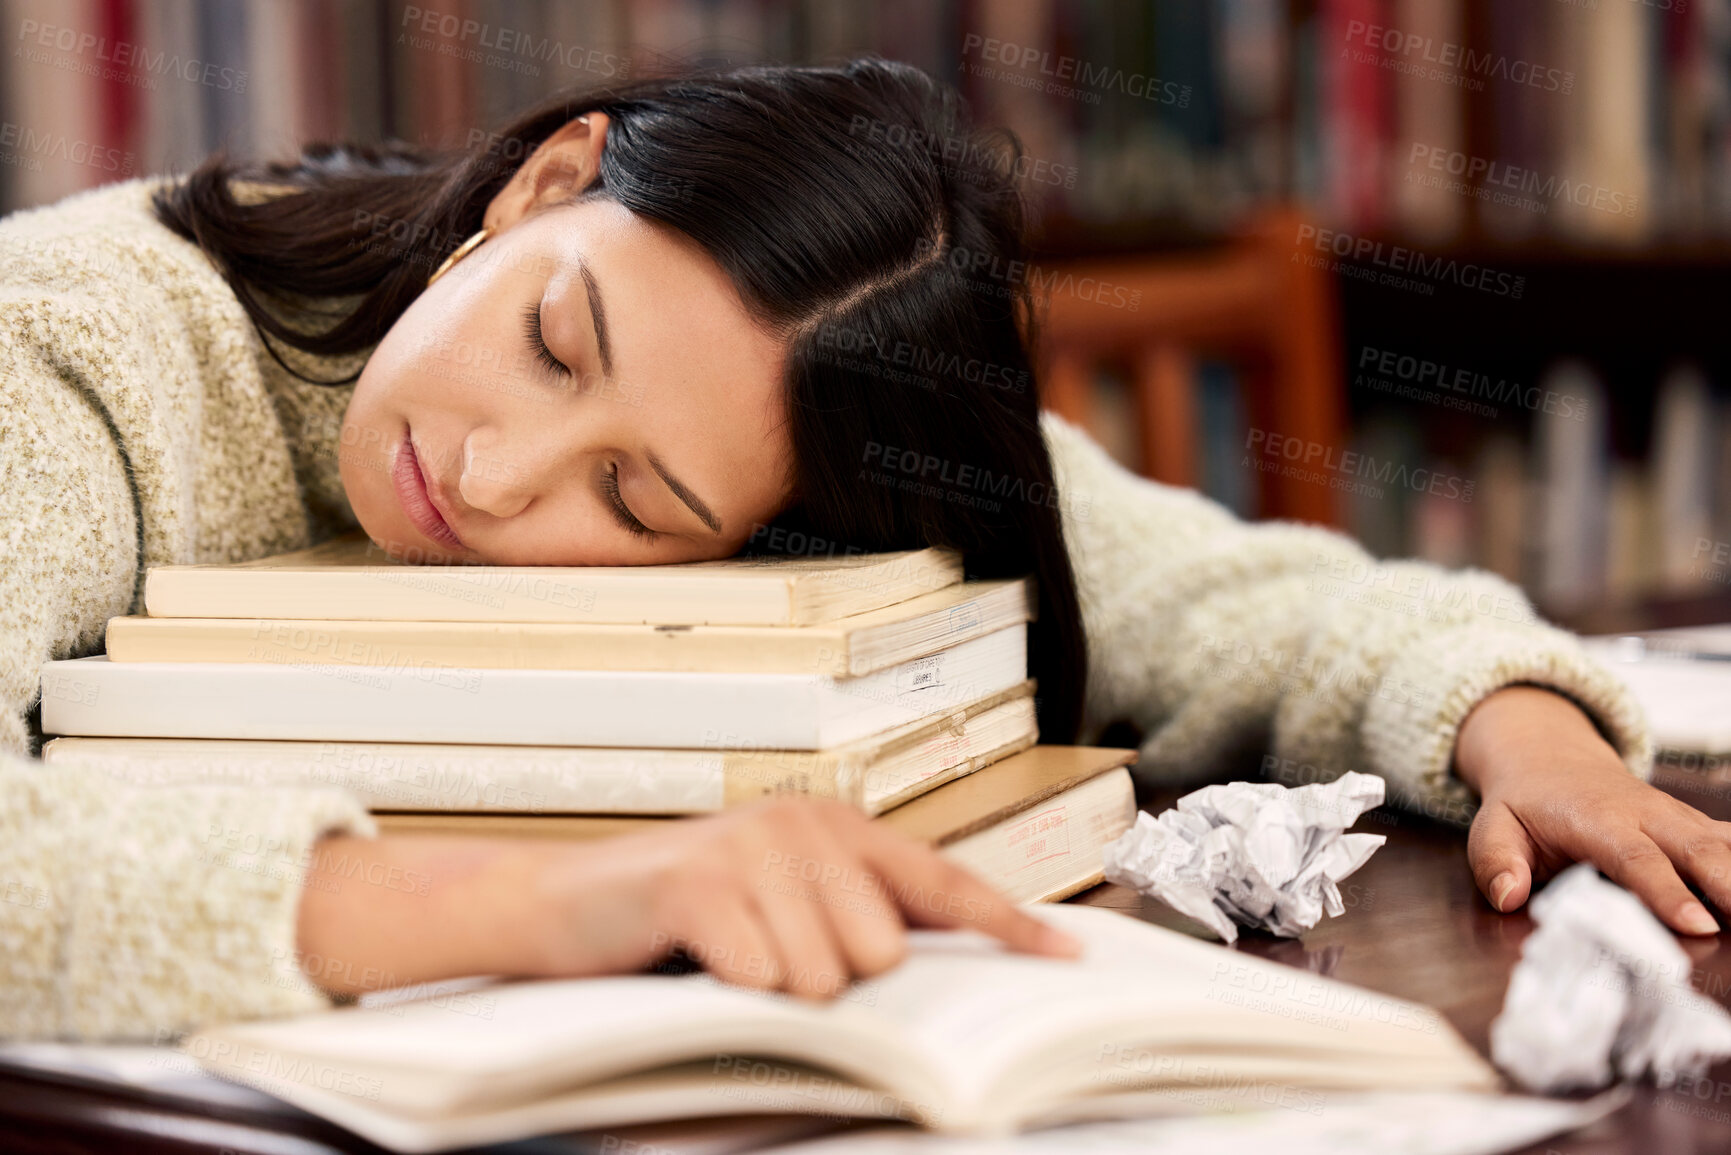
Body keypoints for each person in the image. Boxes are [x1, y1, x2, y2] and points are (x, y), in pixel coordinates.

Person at [0, 58, 1723, 1042]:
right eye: (553, 340)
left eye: (641, 507)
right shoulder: (81, 351)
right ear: (540, 188)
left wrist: (1519, 730)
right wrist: (567, 899)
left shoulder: (782, 425)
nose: (497, 471)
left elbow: (1227, 597)